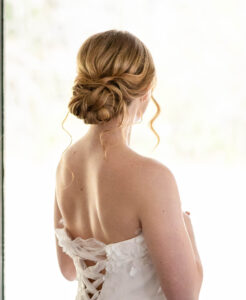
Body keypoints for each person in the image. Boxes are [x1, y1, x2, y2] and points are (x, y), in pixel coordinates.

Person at [54, 29, 203, 300]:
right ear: (145, 93)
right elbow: (184, 296)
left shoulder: (66, 163)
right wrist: (188, 233)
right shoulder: (152, 177)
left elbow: (68, 269)